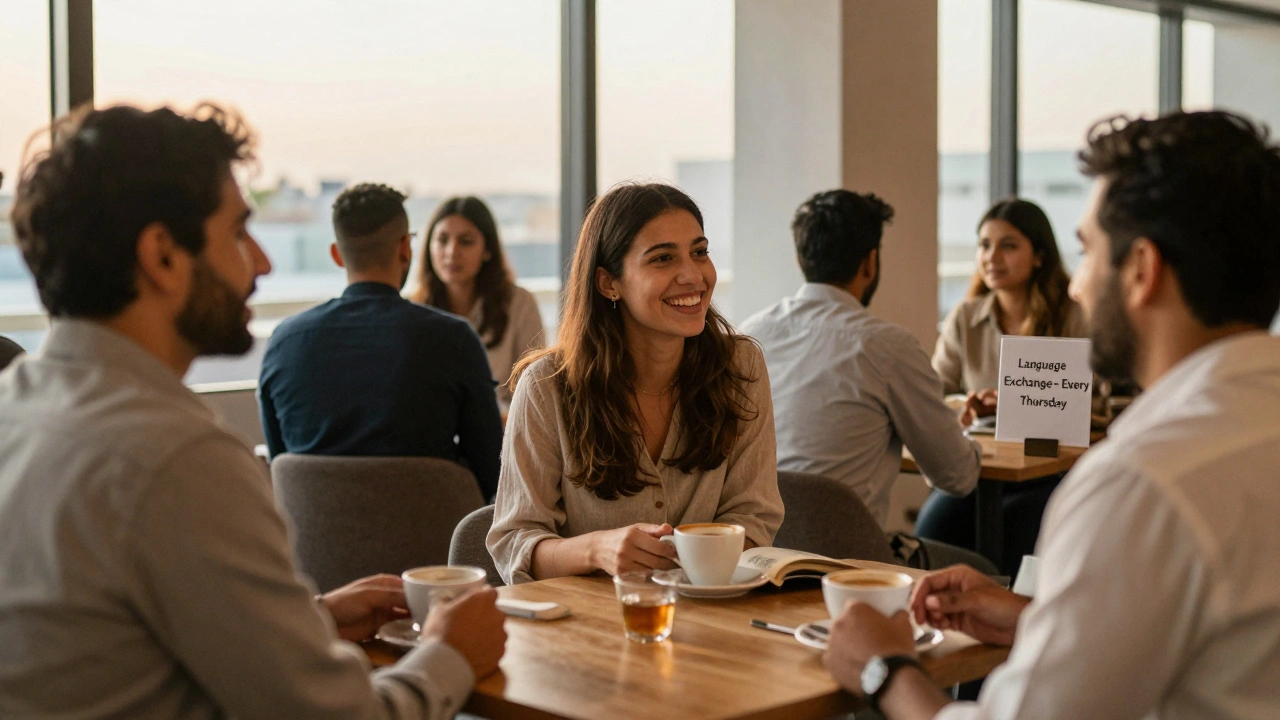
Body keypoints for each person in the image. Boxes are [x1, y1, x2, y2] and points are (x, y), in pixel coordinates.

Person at [0, 103, 506, 718]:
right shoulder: (178, 460)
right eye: (239, 232)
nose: (263, 263)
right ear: (162, 256)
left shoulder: (17, 409)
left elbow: (114, 643)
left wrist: (311, 620)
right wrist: (453, 654)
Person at [822, 110, 1280, 719]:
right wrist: (1035, 618)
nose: (1077, 286)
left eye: (1088, 252)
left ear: (1142, 270)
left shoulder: (1143, 484)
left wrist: (883, 669)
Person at [486, 182, 784, 584]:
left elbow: (753, 516)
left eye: (700, 252)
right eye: (662, 259)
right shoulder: (546, 386)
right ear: (609, 283)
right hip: (583, 628)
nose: (693, 275)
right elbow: (514, 541)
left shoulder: (740, 367)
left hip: (709, 619)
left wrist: (690, 560)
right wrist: (598, 549)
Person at [740, 189, 980, 528]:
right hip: (850, 568)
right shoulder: (889, 348)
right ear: (870, 262)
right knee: (980, 567)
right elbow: (958, 476)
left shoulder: (750, 334)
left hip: (756, 557)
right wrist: (965, 434)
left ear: (800, 259)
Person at [258, 183, 503, 499]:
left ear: (336, 254)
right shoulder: (454, 341)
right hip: (432, 542)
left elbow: (281, 466)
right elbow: (492, 474)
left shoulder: (284, 344)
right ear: (405, 248)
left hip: (314, 546)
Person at [917, 199, 1088, 569]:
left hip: (1050, 471)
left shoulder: (1074, 315)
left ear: (1039, 255)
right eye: (985, 245)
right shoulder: (965, 317)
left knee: (1016, 538)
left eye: (1008, 245)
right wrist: (968, 403)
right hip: (981, 470)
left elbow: (1095, 400)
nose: (992, 256)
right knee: (930, 534)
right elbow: (936, 396)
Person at [408, 196, 545, 413]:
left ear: (487, 250)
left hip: (503, 432)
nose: (452, 252)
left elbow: (537, 390)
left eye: (466, 241)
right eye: (442, 240)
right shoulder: (412, 308)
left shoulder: (519, 303)